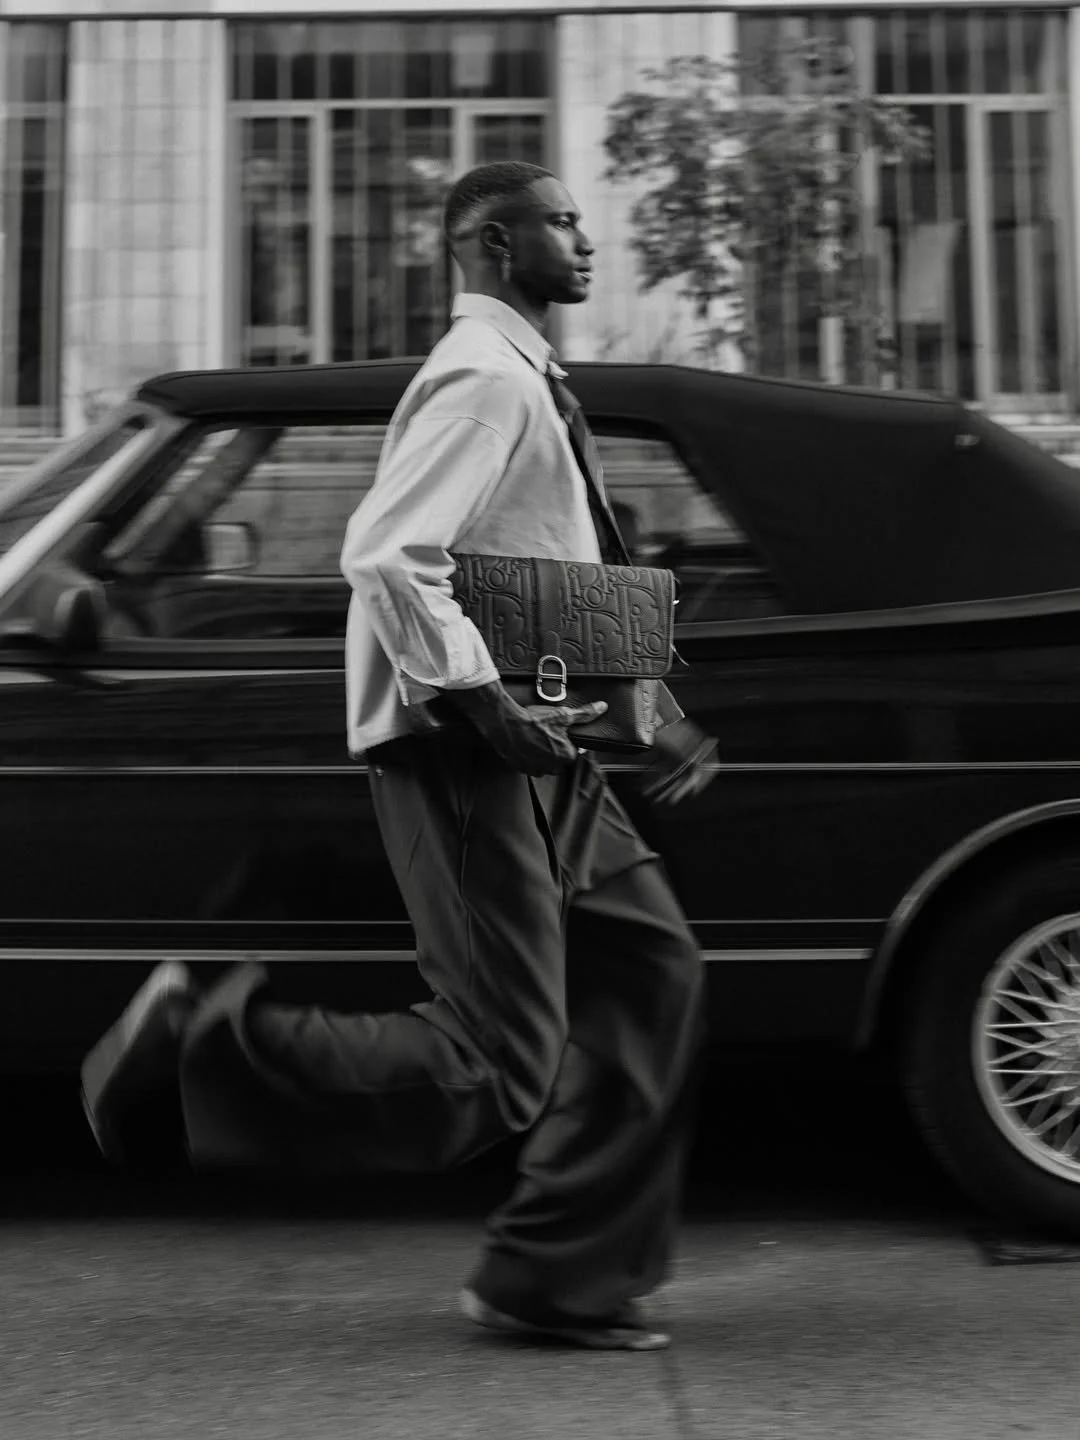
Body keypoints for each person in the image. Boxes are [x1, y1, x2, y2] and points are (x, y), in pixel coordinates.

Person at [81, 161, 716, 1352]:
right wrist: (485, 707)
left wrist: (649, 696)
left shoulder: (528, 375)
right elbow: (387, 554)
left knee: (652, 974)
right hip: (468, 750)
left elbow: (545, 560)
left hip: (543, 741)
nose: (586, 239)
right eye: (562, 221)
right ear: (492, 241)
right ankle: (206, 1037)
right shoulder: (484, 378)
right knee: (497, 1059)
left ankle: (556, 1275)